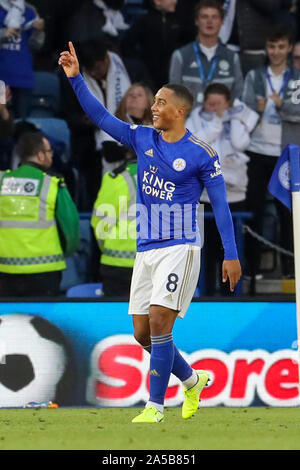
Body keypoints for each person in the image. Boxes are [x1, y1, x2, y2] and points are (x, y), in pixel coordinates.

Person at [59, 41, 241, 423]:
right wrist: (77, 80)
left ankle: (154, 407)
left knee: (160, 320)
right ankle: (192, 381)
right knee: (143, 334)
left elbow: (221, 205)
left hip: (181, 246)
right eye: (153, 102)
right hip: (146, 248)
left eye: (160, 102)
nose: (152, 108)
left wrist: (231, 253)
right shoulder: (143, 138)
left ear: (180, 111)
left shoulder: (201, 153)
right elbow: (102, 118)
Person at [187, 83, 258, 295]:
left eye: (219, 104)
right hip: (205, 196)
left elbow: (240, 143)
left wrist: (232, 119)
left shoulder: (238, 118)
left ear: (228, 103)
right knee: (207, 251)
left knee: (230, 250)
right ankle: (207, 292)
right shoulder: (195, 119)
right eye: (210, 104)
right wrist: (216, 122)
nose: (214, 108)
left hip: (235, 194)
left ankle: (232, 294)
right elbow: (196, 143)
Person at [242, 25, 300, 283]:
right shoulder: (254, 76)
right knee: (252, 209)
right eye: (271, 47)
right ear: (266, 49)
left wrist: (281, 106)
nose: (276, 52)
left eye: (281, 47)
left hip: (286, 153)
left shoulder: (297, 78)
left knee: (287, 212)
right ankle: (251, 269)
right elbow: (241, 111)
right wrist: (256, 109)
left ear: (288, 48)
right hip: (256, 150)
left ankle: (291, 268)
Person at [0, 131, 79, 297]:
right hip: (45, 272)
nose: (51, 156)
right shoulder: (53, 183)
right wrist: (65, 252)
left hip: (5, 270)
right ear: (40, 155)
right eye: (49, 152)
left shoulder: (2, 181)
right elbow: (70, 227)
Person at [60, 39, 131, 209]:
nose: (95, 73)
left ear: (106, 59)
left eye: (98, 68)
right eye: (90, 71)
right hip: (92, 151)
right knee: (99, 201)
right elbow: (68, 115)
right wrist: (87, 121)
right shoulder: (72, 78)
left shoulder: (128, 68)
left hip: (128, 142)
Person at [169, 0, 243, 108]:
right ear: (196, 21)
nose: (209, 21)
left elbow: (238, 96)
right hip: (189, 122)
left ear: (222, 22)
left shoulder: (232, 58)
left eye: (214, 17)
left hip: (222, 121)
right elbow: (173, 97)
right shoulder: (180, 56)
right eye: (204, 17)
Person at [122, 0, 183, 90]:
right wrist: (141, 62)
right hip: (149, 77)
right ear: (157, 1)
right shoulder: (144, 21)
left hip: (173, 74)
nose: (175, 1)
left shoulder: (178, 20)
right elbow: (126, 45)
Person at [0, 1, 45, 118]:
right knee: (2, 123)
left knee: (22, 124)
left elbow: (36, 45)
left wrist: (38, 31)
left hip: (23, 77)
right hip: (1, 77)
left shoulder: (29, 10)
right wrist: (3, 33)